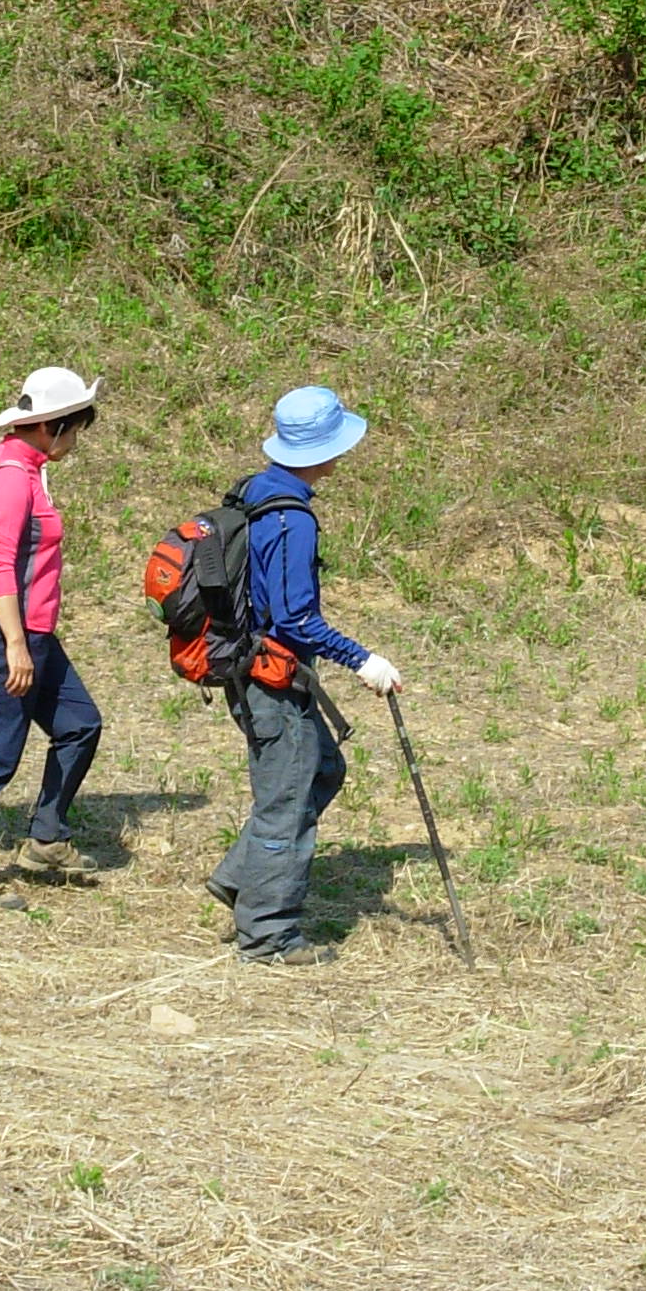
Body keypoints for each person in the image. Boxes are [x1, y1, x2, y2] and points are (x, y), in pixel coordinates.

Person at [205, 385, 402, 965]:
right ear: (326, 449)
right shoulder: (292, 519)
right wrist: (362, 659)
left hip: (252, 665)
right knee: (286, 804)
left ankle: (242, 878)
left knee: (323, 768)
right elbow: (295, 618)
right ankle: (268, 935)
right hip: (269, 677)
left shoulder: (256, 490)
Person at [0, 367, 105, 910]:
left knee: (80, 724)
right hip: (8, 633)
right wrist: (14, 643)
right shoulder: (13, 478)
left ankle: (47, 837)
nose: (76, 440)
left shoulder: (19, 465)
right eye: (75, 428)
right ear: (51, 426)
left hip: (33, 632)